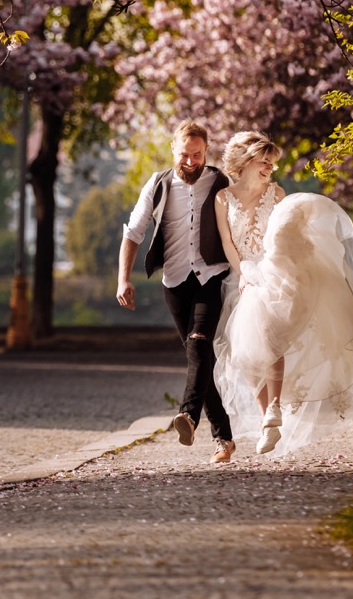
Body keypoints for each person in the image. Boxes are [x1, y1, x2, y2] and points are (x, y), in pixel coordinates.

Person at [212, 131, 353, 456]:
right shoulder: (222, 198)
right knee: (243, 353)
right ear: (245, 162)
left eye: (272, 164)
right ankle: (267, 421)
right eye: (264, 162)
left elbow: (287, 236)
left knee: (269, 335)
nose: (270, 169)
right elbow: (226, 242)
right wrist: (242, 270)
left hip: (276, 272)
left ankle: (274, 406)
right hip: (245, 274)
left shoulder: (277, 193)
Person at [117, 120, 236, 464]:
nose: (190, 161)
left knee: (199, 344)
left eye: (197, 155)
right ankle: (224, 439)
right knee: (201, 359)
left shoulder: (220, 182)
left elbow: (243, 222)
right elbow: (134, 232)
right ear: (173, 150)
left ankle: (187, 416)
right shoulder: (157, 185)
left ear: (206, 152)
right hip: (175, 283)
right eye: (185, 154)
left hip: (212, 276)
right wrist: (123, 279)